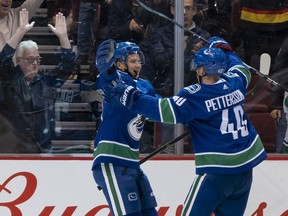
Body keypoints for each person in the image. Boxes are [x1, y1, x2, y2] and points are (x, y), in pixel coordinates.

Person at [101, 36, 267, 215]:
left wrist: (129, 96)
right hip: (245, 171)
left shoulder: (195, 96)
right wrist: (225, 50)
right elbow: (241, 68)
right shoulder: (236, 82)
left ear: (202, 69)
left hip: (218, 171)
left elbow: (163, 110)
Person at [91, 39, 158, 215]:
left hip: (132, 163)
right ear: (120, 64)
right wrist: (107, 69)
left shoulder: (145, 86)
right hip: (111, 161)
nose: (138, 65)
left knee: (150, 212)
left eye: (139, 61)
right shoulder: (117, 80)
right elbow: (105, 80)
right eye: (133, 61)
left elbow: (161, 110)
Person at [0, 9, 76, 153]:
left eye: (37, 59)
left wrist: (63, 37)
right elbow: (2, 60)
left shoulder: (45, 81)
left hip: (43, 148)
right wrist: (20, 31)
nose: (35, 63)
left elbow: (68, 67)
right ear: (18, 61)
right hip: (14, 148)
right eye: (30, 59)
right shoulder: (9, 79)